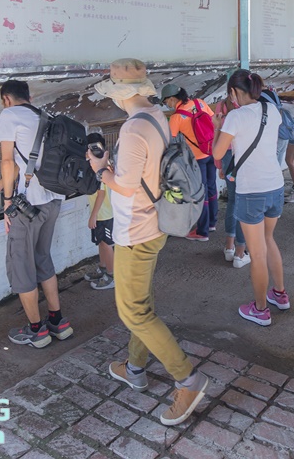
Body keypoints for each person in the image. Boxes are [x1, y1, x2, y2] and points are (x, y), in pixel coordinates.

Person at [85, 59, 208, 426]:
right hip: (153, 224)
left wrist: (99, 168)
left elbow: (123, 184)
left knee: (133, 311)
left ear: (123, 94)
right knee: (142, 300)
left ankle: (188, 380)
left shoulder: (134, 128)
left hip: (134, 230)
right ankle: (135, 366)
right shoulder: (157, 115)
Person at [0, 79, 73, 348]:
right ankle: (58, 323)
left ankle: (37, 330)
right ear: (29, 96)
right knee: (42, 257)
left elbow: (8, 160)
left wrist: (7, 201)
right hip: (53, 201)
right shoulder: (45, 116)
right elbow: (32, 161)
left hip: (27, 207)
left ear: (6, 100)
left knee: (22, 266)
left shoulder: (9, 115)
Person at [212, 70, 289, 327]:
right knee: (268, 240)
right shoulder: (272, 110)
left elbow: (218, 152)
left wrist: (216, 127)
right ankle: (280, 294)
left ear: (233, 92)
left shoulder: (235, 116)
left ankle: (260, 309)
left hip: (251, 191)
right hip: (275, 186)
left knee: (256, 253)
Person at [160, 83, 218, 242]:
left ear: (172, 99)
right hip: (211, 151)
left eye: (166, 102)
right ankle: (212, 223)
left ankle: (202, 231)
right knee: (212, 188)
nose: (167, 105)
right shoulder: (200, 103)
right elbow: (214, 120)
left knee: (201, 192)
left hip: (197, 159)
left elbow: (169, 140)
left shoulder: (176, 117)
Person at [212, 97, 250, 269]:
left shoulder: (221, 105)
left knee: (233, 200)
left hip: (226, 157)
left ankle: (229, 247)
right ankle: (240, 253)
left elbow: (218, 136)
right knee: (244, 202)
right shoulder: (247, 107)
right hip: (242, 156)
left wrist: (220, 166)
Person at [84, 133, 115, 291]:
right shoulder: (94, 165)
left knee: (107, 244)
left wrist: (93, 215)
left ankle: (111, 275)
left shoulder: (102, 167)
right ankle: (103, 269)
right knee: (101, 242)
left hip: (105, 214)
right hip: (101, 213)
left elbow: (101, 194)